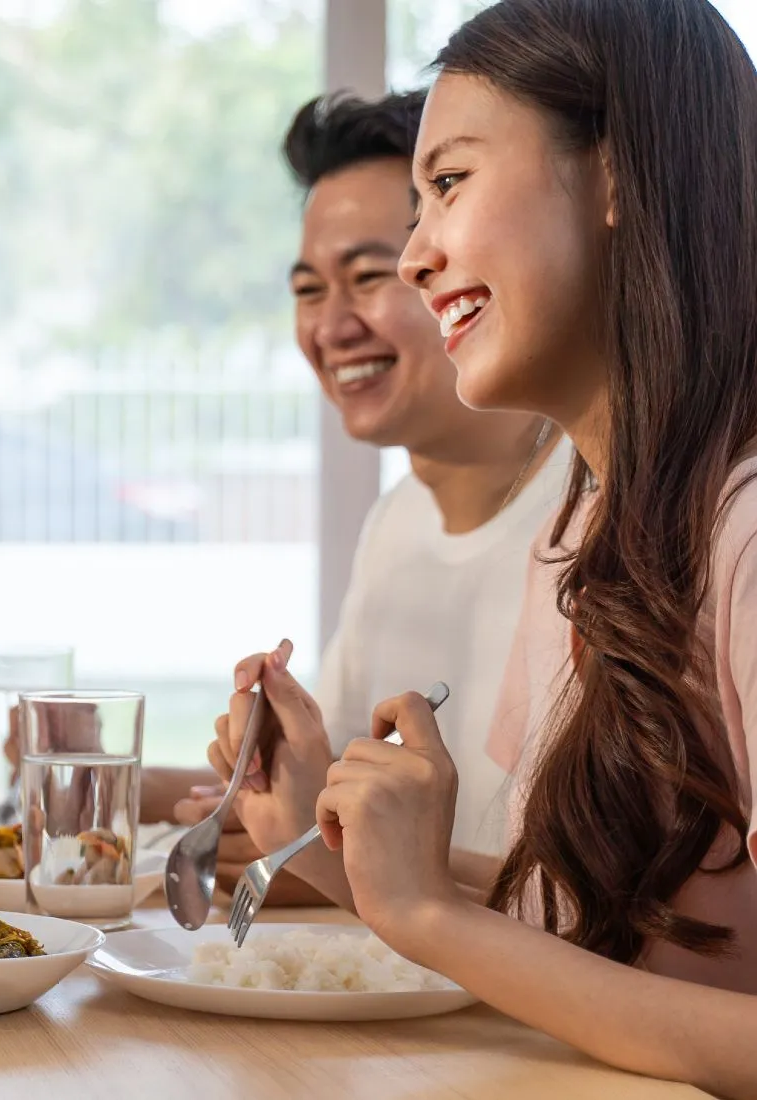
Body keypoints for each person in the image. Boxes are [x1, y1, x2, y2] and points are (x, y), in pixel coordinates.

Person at [219, 1, 757, 1091]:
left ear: (615, 174)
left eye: (448, 186)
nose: (417, 257)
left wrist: (422, 910)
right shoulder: (587, 531)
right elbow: (583, 924)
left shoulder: (743, 527)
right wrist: (336, 846)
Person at [164, 91, 572, 899]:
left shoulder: (604, 512)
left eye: (368, 276)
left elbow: (615, 923)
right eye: (309, 290)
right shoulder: (396, 521)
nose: (331, 325)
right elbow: (338, 816)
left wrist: (331, 854)